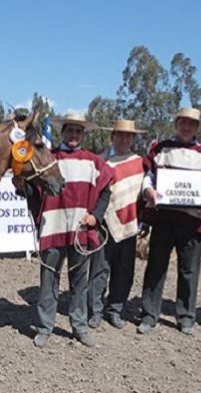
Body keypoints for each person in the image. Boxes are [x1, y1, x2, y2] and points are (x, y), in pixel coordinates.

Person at [13, 113, 113, 348]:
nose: (74, 136)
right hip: (53, 227)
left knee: (80, 282)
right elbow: (33, 190)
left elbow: (106, 190)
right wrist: (21, 186)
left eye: (78, 132)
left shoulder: (94, 162)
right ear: (62, 132)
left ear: (83, 135)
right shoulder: (49, 158)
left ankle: (79, 326)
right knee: (48, 280)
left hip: (81, 231)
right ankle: (44, 326)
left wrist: (95, 216)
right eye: (70, 131)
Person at [137, 107, 201, 336]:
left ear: (197, 127)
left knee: (189, 270)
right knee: (156, 267)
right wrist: (149, 193)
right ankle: (149, 313)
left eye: (191, 124)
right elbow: (149, 177)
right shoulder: (162, 149)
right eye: (183, 123)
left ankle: (186, 316)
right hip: (164, 219)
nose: (187, 127)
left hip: (191, 221)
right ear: (176, 124)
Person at [87, 119, 147, 330]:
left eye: (128, 136)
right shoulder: (100, 161)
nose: (124, 139)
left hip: (129, 225)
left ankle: (115, 309)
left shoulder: (140, 163)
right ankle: (94, 310)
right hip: (104, 224)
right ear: (112, 136)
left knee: (124, 270)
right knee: (99, 269)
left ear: (133, 139)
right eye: (120, 135)